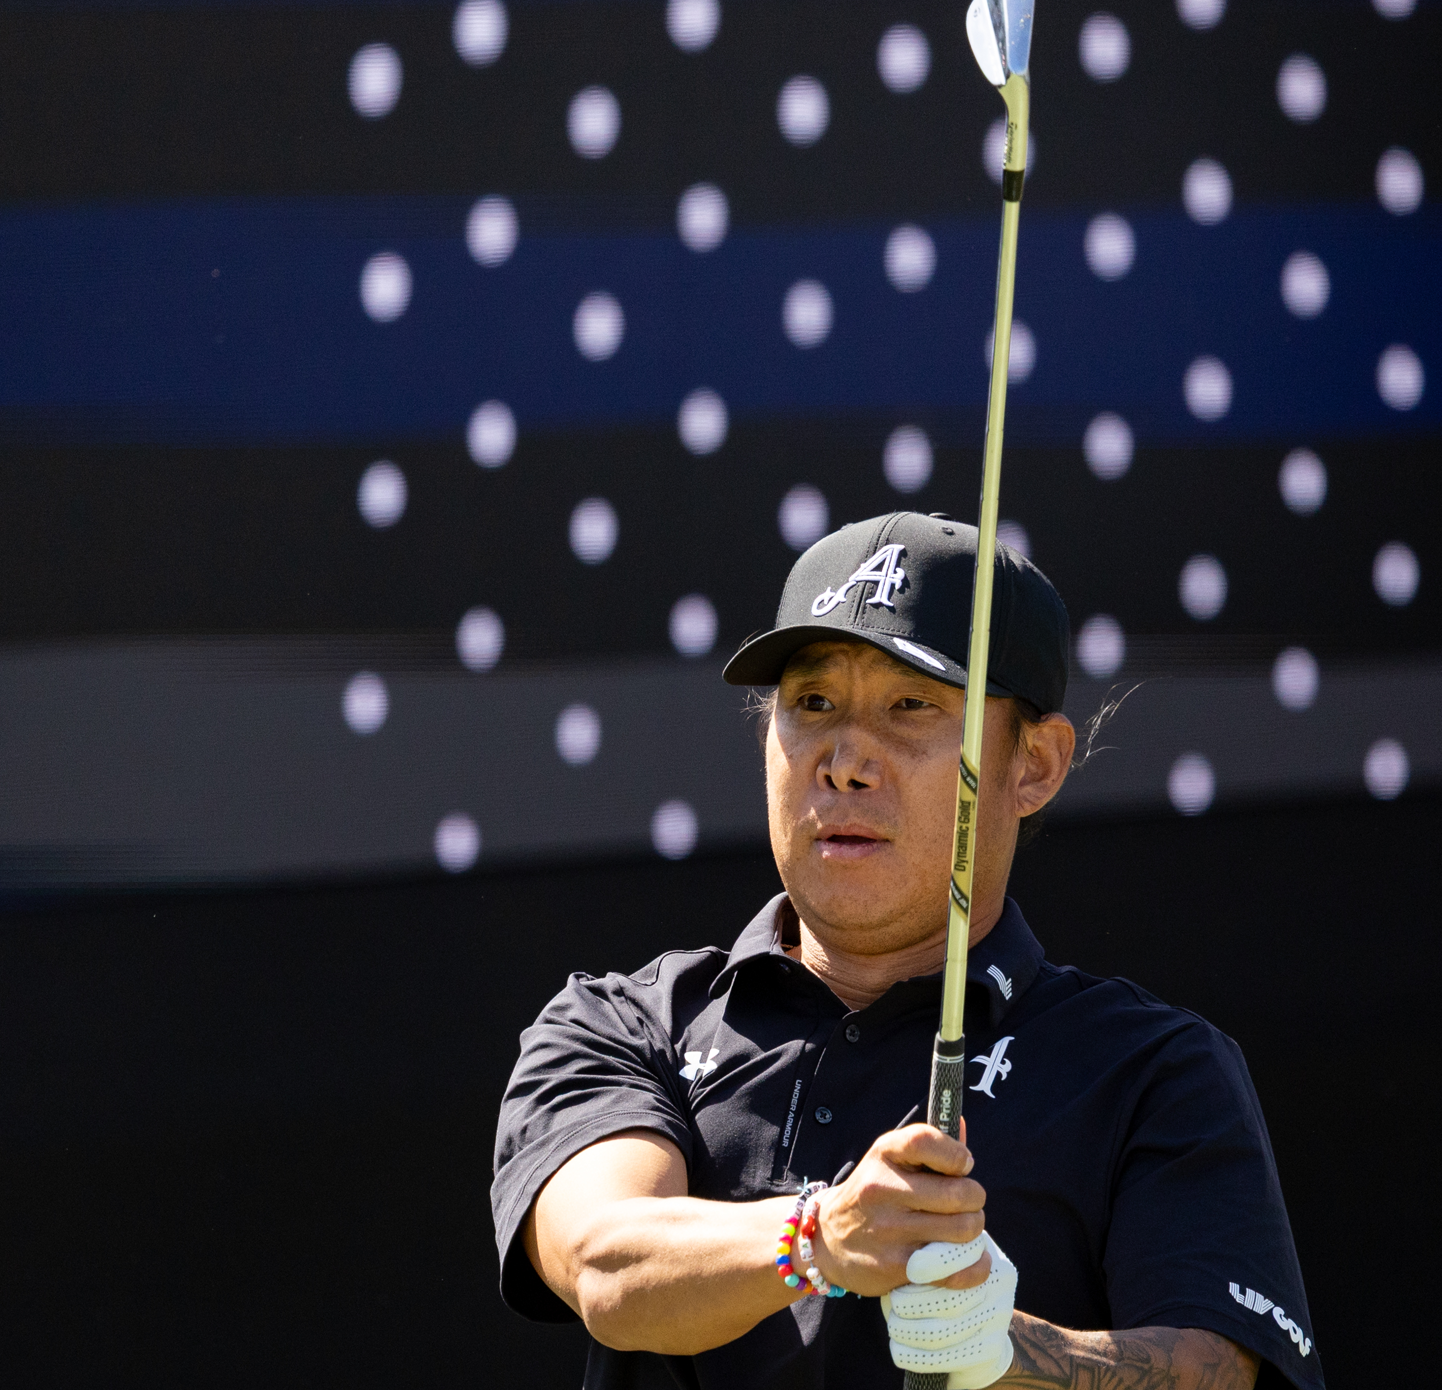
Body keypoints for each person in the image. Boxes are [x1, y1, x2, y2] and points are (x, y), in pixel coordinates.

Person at [490, 513, 1321, 1390]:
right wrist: (821, 1240)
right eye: (812, 704)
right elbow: (606, 1263)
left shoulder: (1153, 1071)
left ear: (1034, 764)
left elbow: (1220, 1368)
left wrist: (1010, 1357)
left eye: (910, 705)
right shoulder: (625, 1023)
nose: (845, 761)